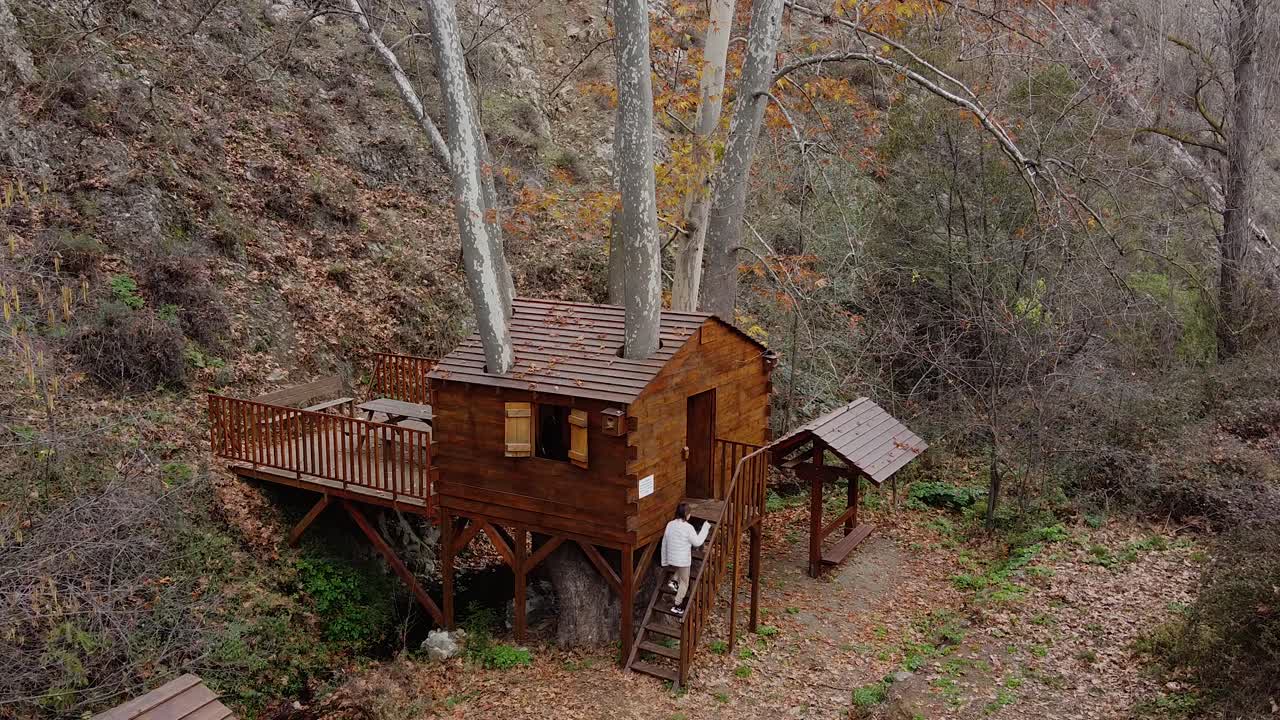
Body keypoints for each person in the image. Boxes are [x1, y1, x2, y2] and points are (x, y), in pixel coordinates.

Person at [660, 503, 710, 616]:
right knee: (684, 582)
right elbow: (697, 542)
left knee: (681, 568)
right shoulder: (688, 528)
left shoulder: (670, 524)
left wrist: (665, 560)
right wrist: (705, 528)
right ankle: (676, 605)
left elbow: (664, 541)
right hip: (682, 560)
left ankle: (674, 580)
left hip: (671, 557)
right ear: (687, 515)